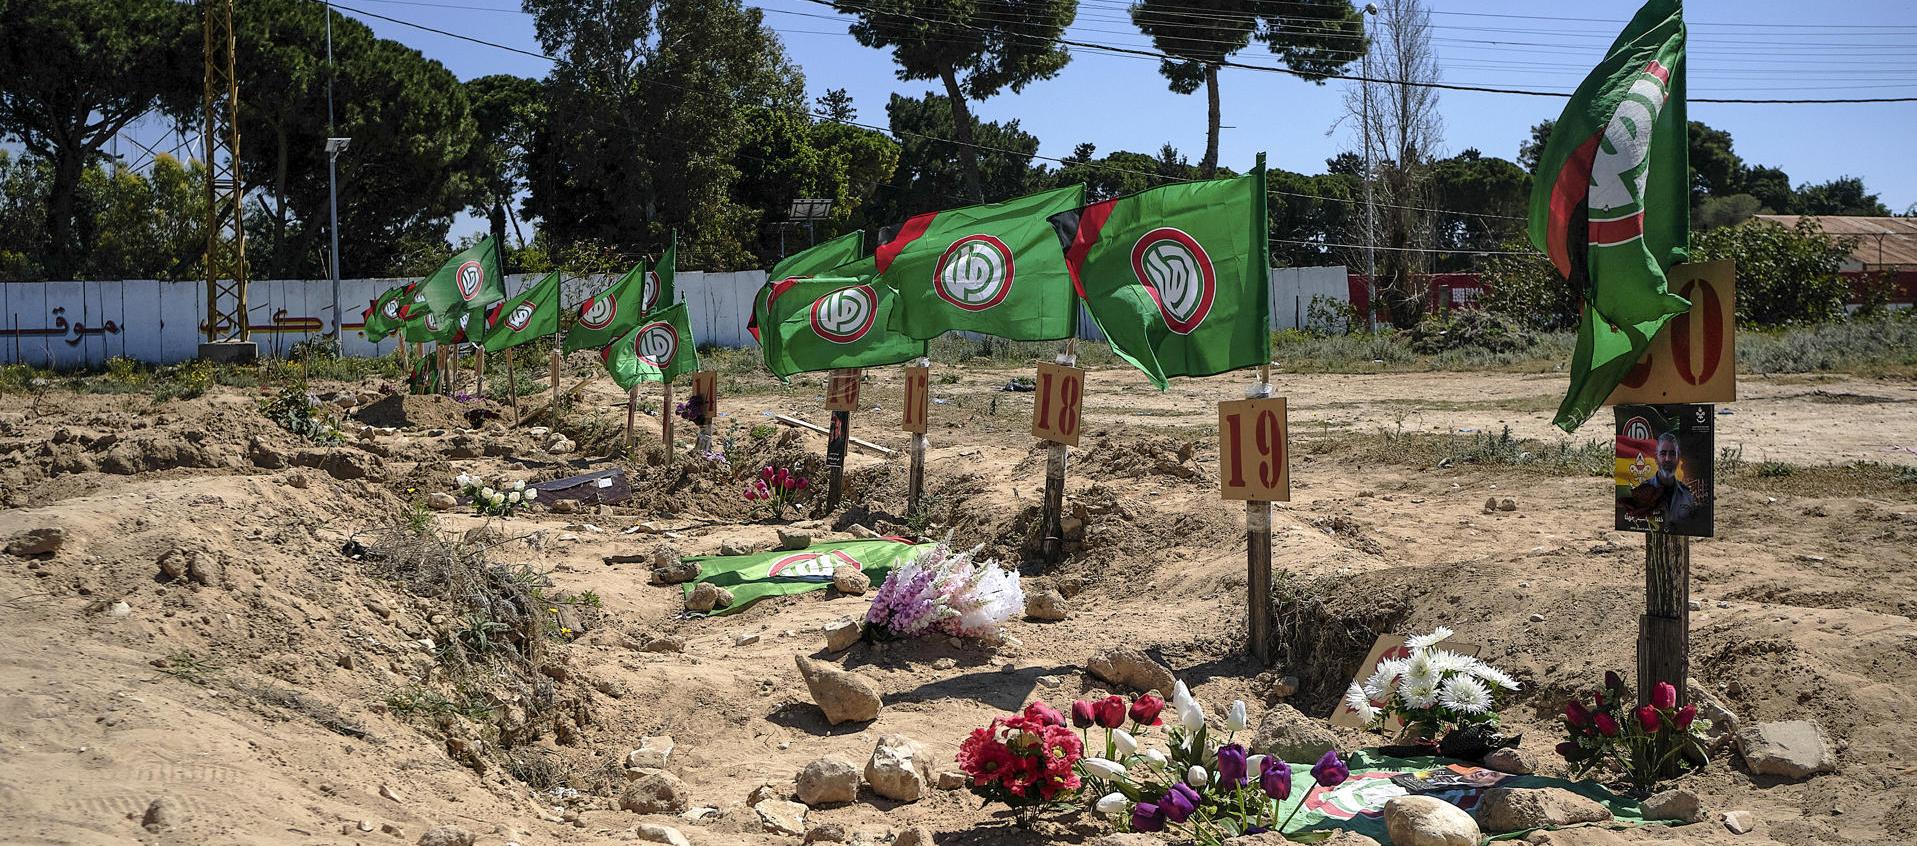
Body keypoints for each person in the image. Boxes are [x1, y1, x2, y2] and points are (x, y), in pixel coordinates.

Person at [1626, 432, 1697, 526]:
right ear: (1656, 458)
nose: (1667, 459)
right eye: (1663, 454)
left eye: (1672, 454)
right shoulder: (1642, 491)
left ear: (1678, 458)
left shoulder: (1687, 495)